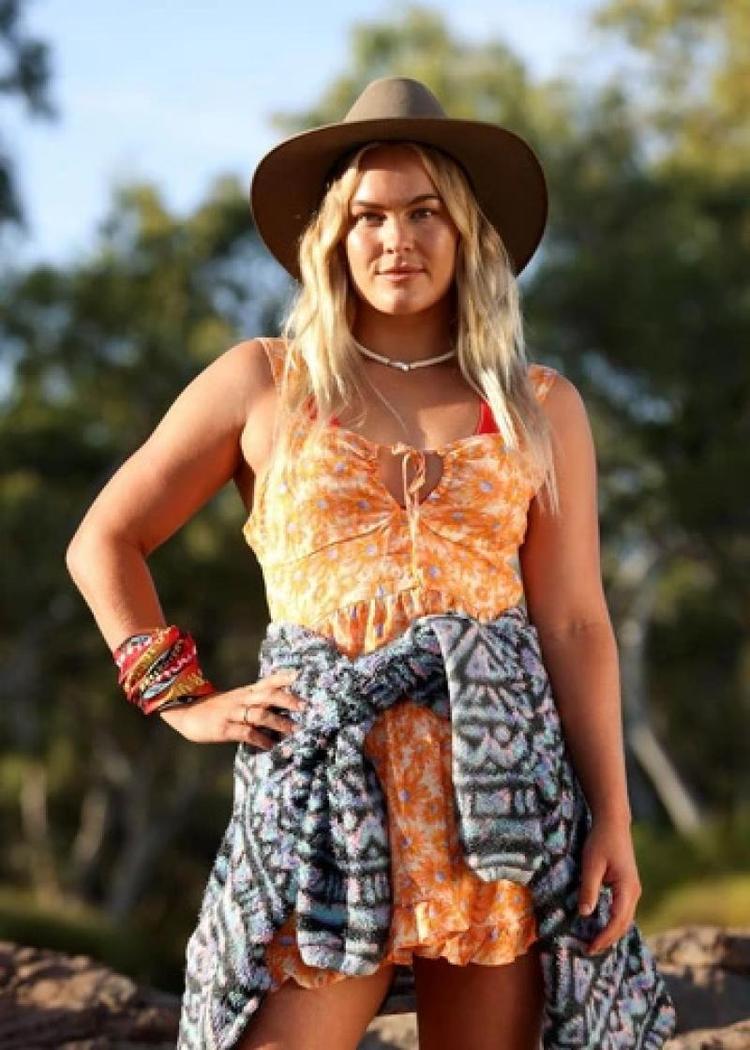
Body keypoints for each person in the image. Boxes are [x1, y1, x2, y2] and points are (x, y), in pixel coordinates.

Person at [66, 77, 643, 1050]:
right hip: (319, 792)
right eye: (369, 215)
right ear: (334, 235)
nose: (396, 239)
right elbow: (103, 540)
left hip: (497, 792)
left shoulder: (540, 405)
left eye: (425, 212)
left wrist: (613, 821)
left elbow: (577, 623)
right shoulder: (265, 380)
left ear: (467, 232)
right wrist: (181, 700)